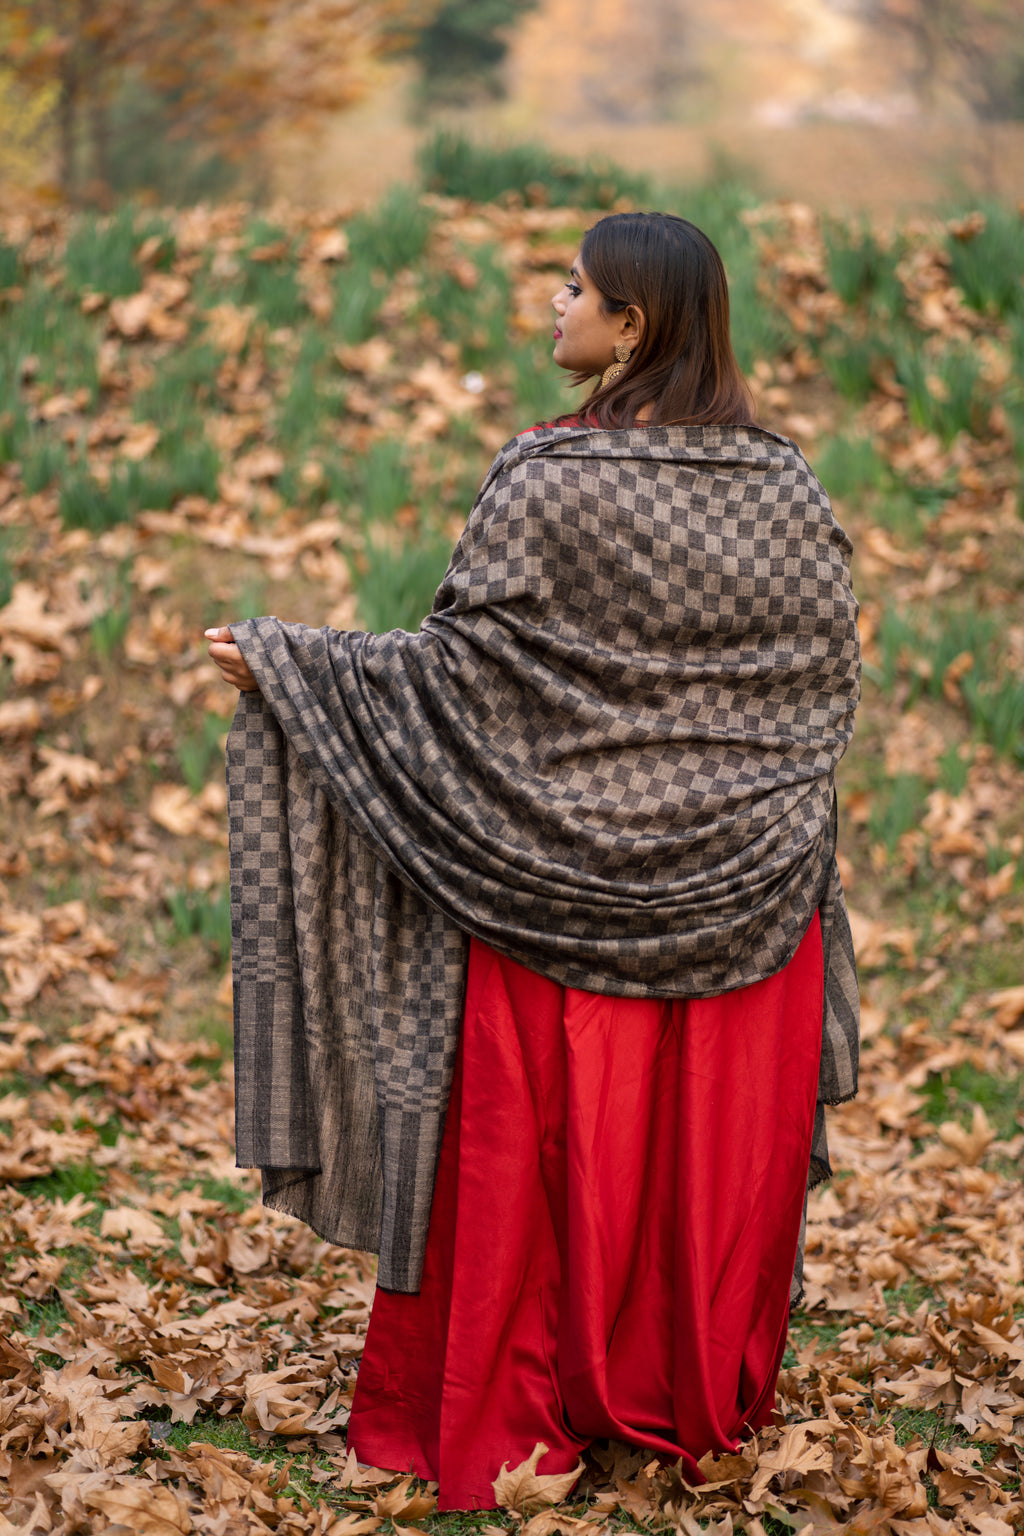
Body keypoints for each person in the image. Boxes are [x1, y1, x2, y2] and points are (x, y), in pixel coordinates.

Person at [207, 211, 860, 1511]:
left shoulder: (546, 473)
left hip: (545, 901)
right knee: (679, 1166)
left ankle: (519, 1414)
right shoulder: (784, 480)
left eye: (578, 288)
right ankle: (676, 1405)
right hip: (740, 901)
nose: (551, 305)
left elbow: (468, 682)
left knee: (545, 1162)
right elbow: (819, 681)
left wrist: (296, 663)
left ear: (634, 326)